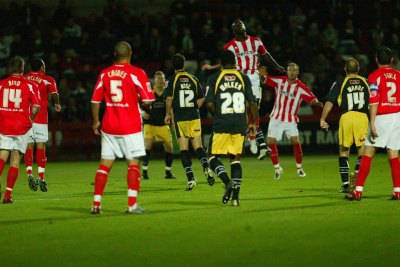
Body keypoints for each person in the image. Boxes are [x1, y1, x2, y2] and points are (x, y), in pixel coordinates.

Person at [202, 19, 285, 158]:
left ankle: (255, 141)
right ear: (234, 31)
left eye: (240, 23)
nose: (239, 26)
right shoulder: (230, 46)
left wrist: (277, 67)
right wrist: (212, 67)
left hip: (253, 79)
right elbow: (225, 63)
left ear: (245, 26)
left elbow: (267, 56)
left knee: (254, 111)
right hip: (238, 79)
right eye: (236, 26)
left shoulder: (256, 41)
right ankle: (258, 143)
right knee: (244, 113)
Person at [90, 41, 155, 214]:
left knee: (105, 165)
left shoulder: (105, 73)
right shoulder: (137, 73)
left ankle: (96, 204)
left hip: (109, 125)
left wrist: (96, 121)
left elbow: (95, 100)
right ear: (131, 53)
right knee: (133, 164)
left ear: (114, 54)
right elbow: (148, 100)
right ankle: (132, 205)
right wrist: (143, 106)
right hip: (130, 126)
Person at [346, 46, 400, 201]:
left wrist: (373, 122)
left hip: (382, 116)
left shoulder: (374, 76)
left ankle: (358, 191)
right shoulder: (398, 75)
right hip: (397, 116)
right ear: (391, 60)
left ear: (376, 60)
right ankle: (397, 191)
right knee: (394, 153)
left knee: (367, 152)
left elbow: (374, 100)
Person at [205, 50, 258, 206]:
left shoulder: (214, 78)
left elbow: (209, 103)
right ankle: (236, 199)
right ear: (235, 62)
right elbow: (252, 102)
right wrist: (253, 123)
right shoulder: (244, 78)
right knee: (235, 160)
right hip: (240, 123)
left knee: (212, 157)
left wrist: (218, 116)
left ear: (220, 63)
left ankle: (227, 182)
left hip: (222, 123)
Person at [263, 62, 323, 179]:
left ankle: (299, 168)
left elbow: (312, 98)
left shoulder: (301, 87)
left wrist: (319, 103)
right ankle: (277, 168)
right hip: (276, 117)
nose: (292, 72)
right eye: (290, 70)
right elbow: (265, 79)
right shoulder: (279, 81)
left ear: (298, 72)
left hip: (290, 119)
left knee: (295, 141)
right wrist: (261, 74)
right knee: (270, 142)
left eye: (294, 70)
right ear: (287, 71)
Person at [165, 53, 215, 191]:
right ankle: (206, 168)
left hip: (180, 118)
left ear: (173, 65)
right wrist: (194, 108)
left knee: (184, 149)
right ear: (184, 64)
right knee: (198, 147)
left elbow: (169, 99)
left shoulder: (171, 80)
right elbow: (201, 98)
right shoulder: (193, 79)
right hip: (194, 116)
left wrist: (167, 114)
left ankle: (191, 178)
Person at [320, 58, 370, 193]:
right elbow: (372, 103)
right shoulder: (366, 82)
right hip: (362, 117)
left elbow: (330, 101)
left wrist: (323, 119)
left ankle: (346, 184)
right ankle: (357, 181)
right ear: (358, 69)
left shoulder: (340, 82)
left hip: (347, 117)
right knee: (362, 151)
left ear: (345, 69)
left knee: (343, 151)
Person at [0, 56, 40, 203]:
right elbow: (36, 106)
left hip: (4, 125)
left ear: (10, 69)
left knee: (2, 156)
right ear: (23, 69)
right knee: (15, 160)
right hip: (21, 127)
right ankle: (7, 195)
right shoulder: (29, 85)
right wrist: (30, 118)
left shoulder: (1, 84)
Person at [24, 58, 62, 192]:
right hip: (40, 118)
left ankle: (29, 173)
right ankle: (41, 177)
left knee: (29, 146)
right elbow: (54, 93)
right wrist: (57, 104)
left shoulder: (24, 78)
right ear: (41, 67)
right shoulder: (48, 79)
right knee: (41, 147)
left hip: (27, 118)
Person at [141, 71, 175, 180]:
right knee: (148, 145)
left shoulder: (167, 93)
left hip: (163, 124)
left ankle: (168, 172)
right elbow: (140, 105)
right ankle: (144, 172)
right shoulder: (149, 92)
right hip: (150, 124)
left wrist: (173, 123)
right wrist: (142, 113)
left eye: (162, 78)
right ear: (154, 80)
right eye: (158, 79)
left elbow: (171, 110)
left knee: (170, 147)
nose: (161, 81)